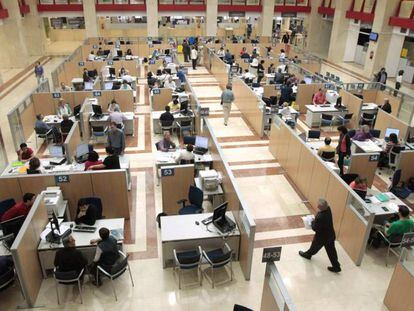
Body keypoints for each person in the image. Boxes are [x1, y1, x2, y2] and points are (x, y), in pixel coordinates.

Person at [299, 198, 341, 273]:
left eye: (318, 205)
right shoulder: (328, 209)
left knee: (314, 247)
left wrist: (312, 222)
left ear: (321, 207)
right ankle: (336, 266)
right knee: (331, 251)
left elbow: (315, 228)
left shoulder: (320, 217)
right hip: (330, 235)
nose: (317, 206)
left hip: (321, 237)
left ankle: (308, 255)